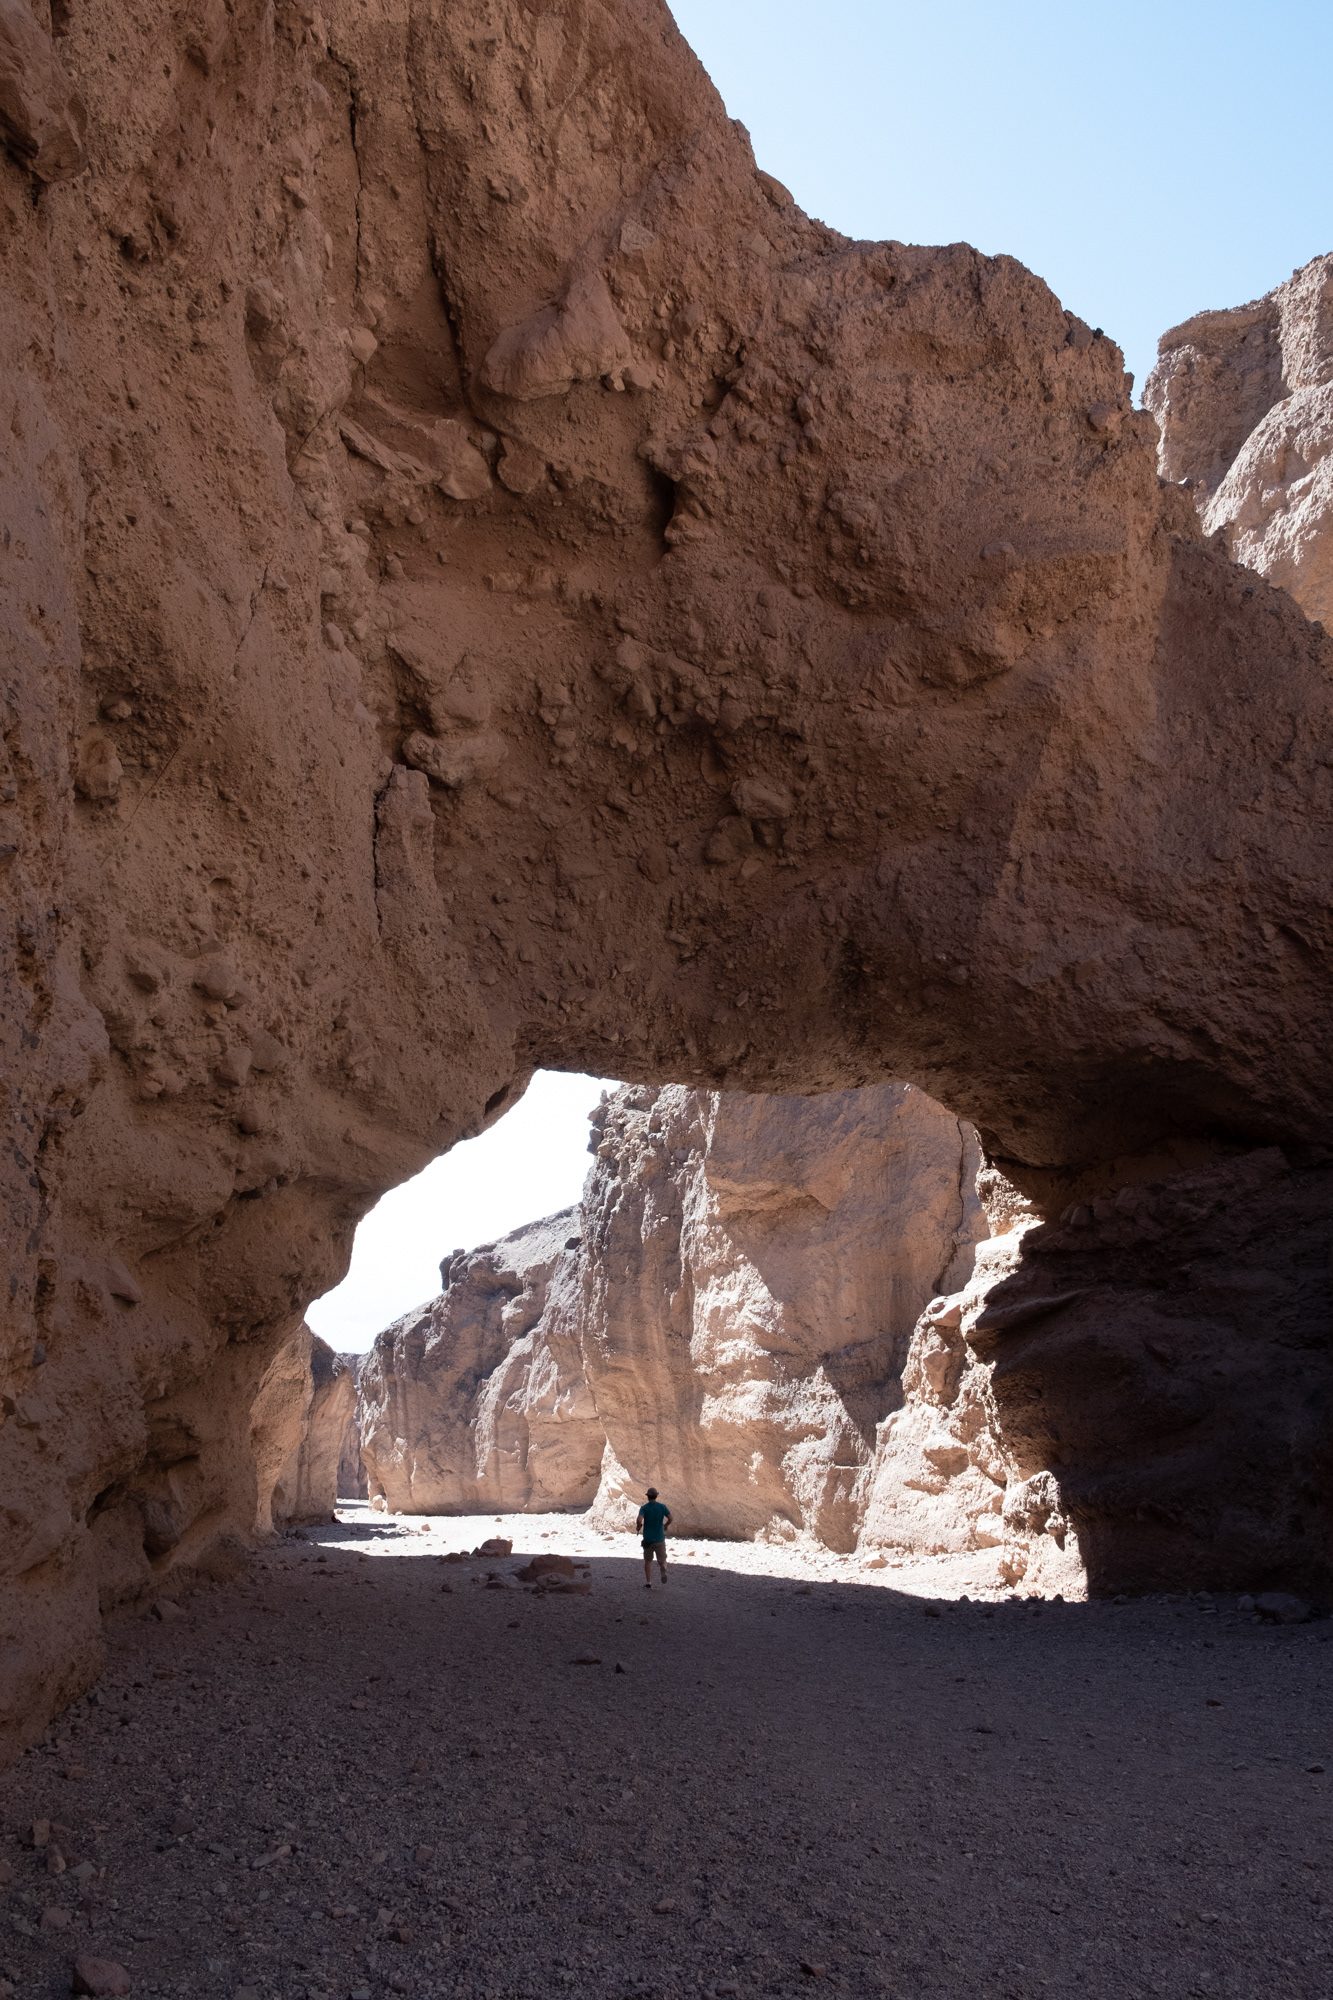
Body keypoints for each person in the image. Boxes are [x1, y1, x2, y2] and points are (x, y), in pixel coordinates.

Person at [636, 1487, 671, 1588]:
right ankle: (663, 1567)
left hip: (648, 1539)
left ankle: (648, 1582)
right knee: (662, 1560)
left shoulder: (644, 1508)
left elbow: (639, 1519)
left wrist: (638, 1526)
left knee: (648, 1561)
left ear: (648, 1497)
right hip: (659, 1538)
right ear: (656, 1496)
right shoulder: (662, 1507)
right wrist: (666, 1525)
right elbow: (670, 1518)